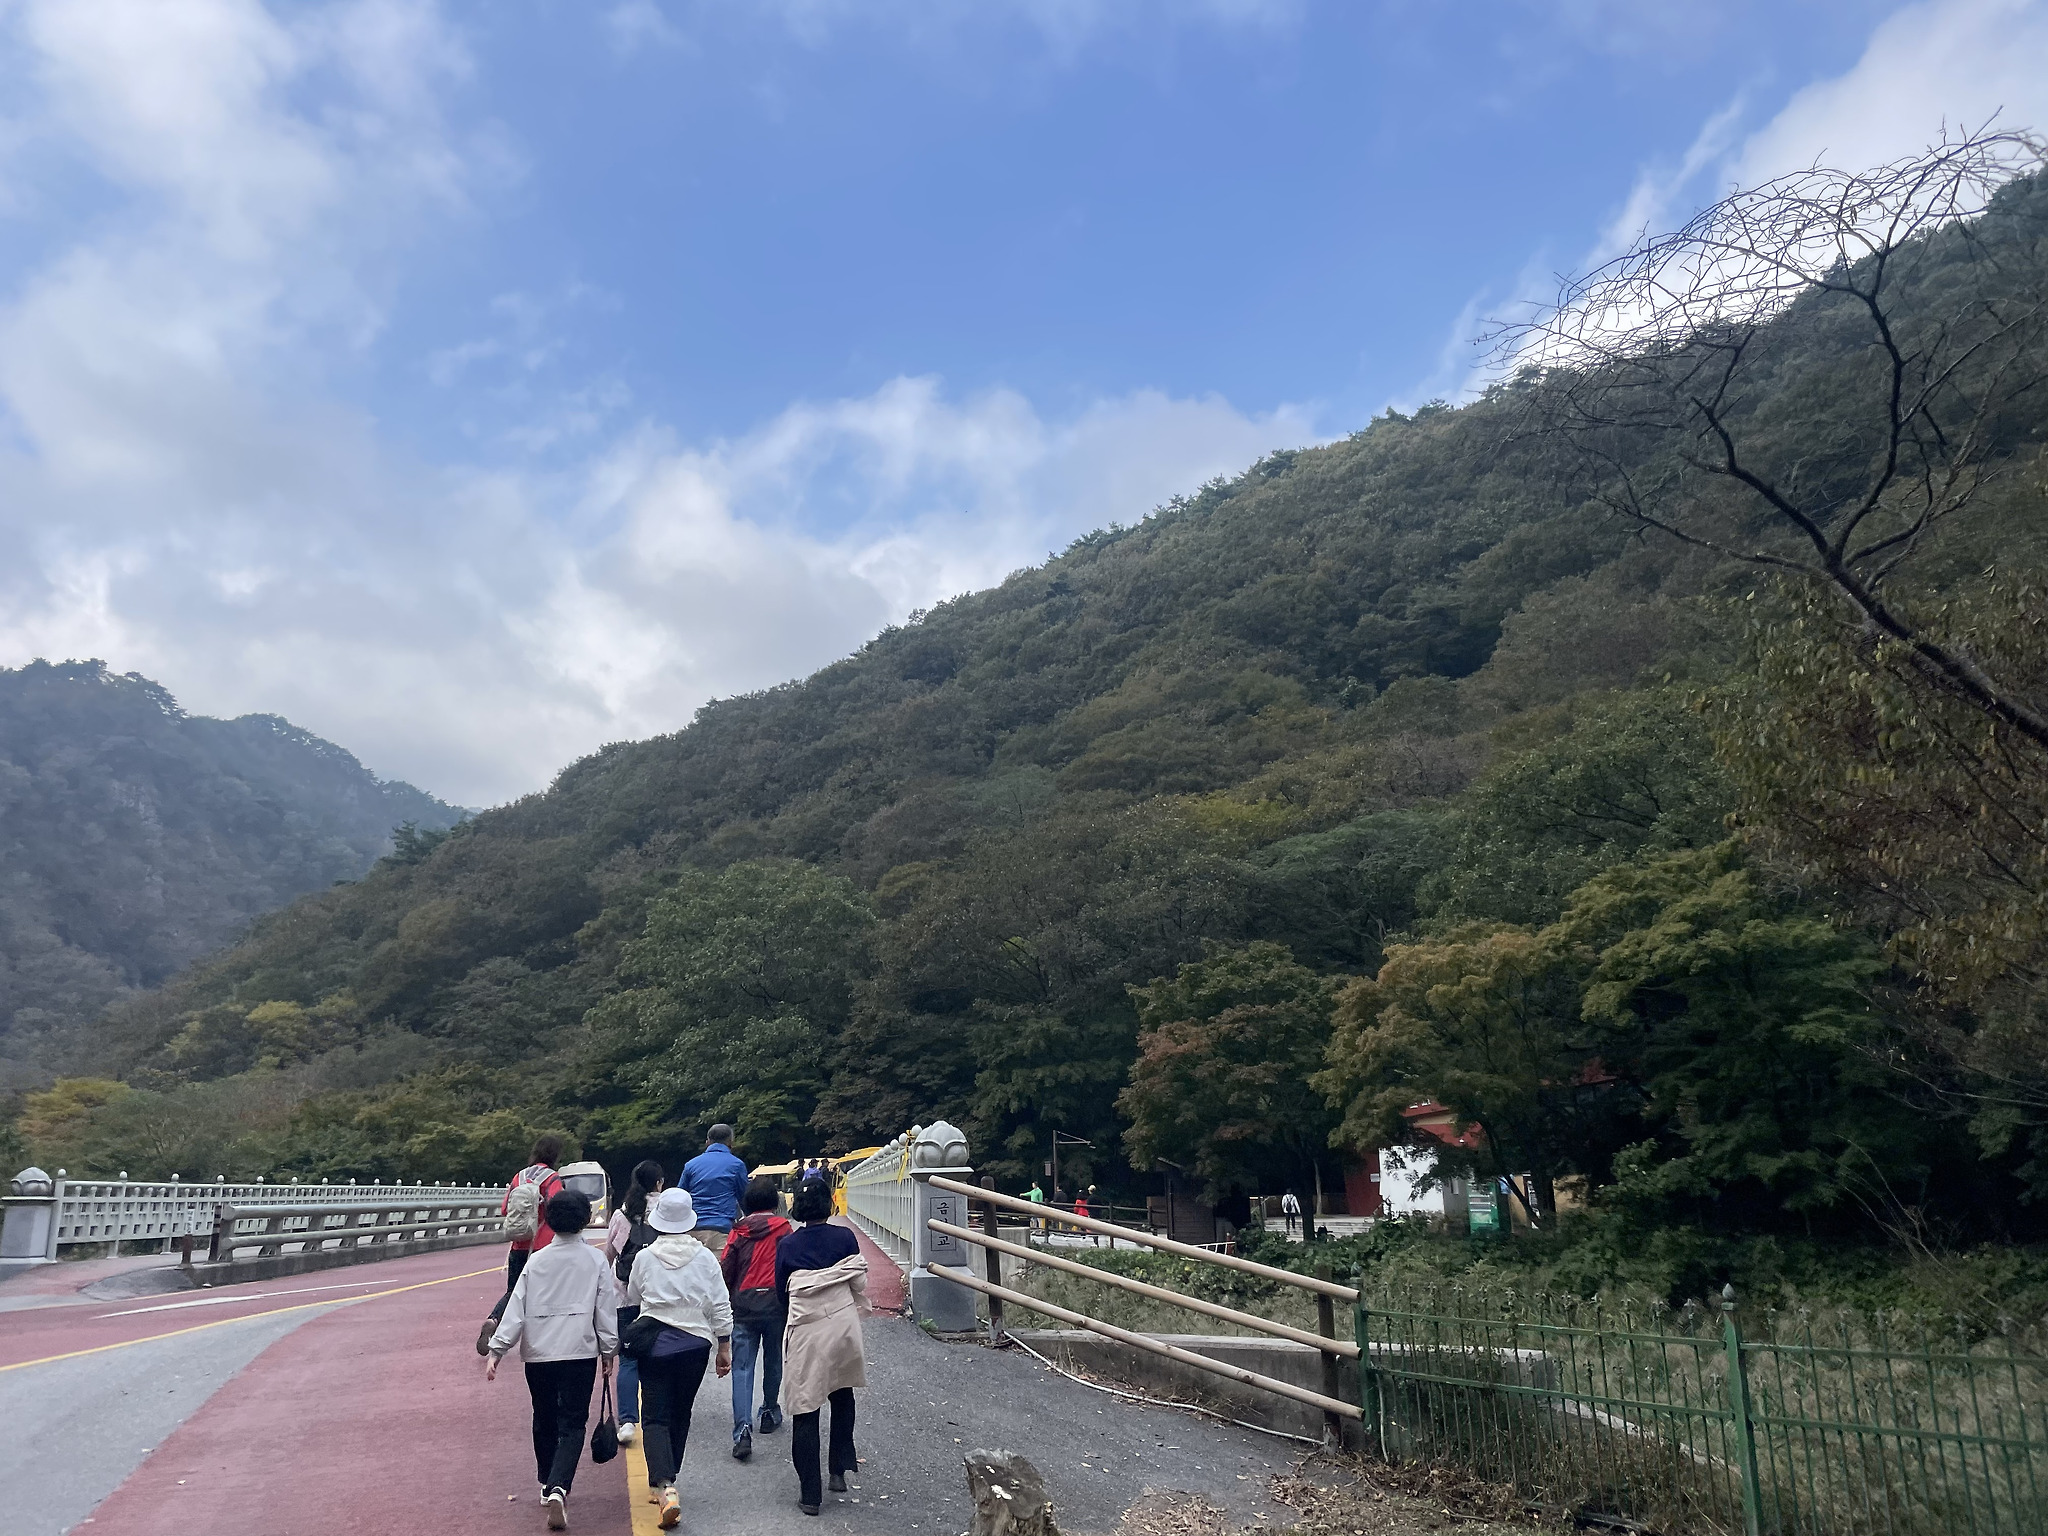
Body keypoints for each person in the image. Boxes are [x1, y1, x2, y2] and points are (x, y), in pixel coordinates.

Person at [486, 1188, 618, 1532]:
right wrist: (609, 1349)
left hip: (539, 1353)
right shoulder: (595, 1261)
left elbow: (517, 1308)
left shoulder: (537, 1261)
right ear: (585, 1220)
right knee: (573, 1422)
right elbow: (605, 1310)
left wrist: (498, 1349)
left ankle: (547, 1480)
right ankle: (560, 1485)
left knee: (543, 1416)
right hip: (579, 1351)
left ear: (548, 1220)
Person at [625, 1188, 734, 1531]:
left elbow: (633, 1294)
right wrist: (724, 1345)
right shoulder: (705, 1258)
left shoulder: (645, 1257)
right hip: (695, 1344)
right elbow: (719, 1303)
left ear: (658, 1221)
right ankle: (670, 1476)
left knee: (654, 1416)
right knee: (681, 1412)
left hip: (655, 1343)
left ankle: (664, 1484)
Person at [776, 1179, 866, 1517]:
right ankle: (838, 1470)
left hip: (807, 1329)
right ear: (829, 1203)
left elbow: (782, 1293)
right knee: (842, 1395)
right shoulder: (845, 1238)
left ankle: (810, 1494)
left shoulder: (788, 1245)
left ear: (797, 1208)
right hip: (842, 1326)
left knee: (805, 1407)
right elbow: (860, 1281)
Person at [722, 1175, 792, 1461]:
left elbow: (727, 1267)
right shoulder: (784, 1229)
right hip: (776, 1303)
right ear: (774, 1202)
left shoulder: (739, 1231)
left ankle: (742, 1431)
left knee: (742, 1368)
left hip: (744, 1305)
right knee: (773, 1359)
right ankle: (769, 1411)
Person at [479, 1135, 568, 1352]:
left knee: (513, 1291)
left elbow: (505, 1209)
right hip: (543, 1246)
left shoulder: (519, 1177)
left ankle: (494, 1319)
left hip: (518, 1244)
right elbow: (558, 1209)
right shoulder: (552, 1178)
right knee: (546, 1293)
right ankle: (543, 1338)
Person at [604, 1159, 664, 1447]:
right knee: (657, 1357)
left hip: (625, 1296)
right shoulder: (665, 1210)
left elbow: (608, 1255)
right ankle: (657, 1416)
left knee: (627, 1359)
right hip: (657, 1297)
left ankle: (628, 1421)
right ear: (659, 1183)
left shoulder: (622, 1213)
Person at [678, 1124, 750, 1254]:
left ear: (707, 1142)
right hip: (721, 1229)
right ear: (730, 1142)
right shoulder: (737, 1165)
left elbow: (679, 1196)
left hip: (693, 1228)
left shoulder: (691, 1165)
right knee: (720, 1266)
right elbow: (744, 1199)